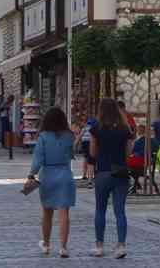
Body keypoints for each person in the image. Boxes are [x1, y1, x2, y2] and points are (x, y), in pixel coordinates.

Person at [27, 107, 76, 258]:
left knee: (47, 212)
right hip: (65, 174)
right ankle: (63, 247)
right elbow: (71, 154)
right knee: (64, 213)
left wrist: (31, 174)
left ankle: (46, 245)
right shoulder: (69, 136)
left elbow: (38, 159)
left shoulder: (43, 137)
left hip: (48, 175)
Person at [89, 98, 132, 259]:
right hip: (120, 172)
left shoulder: (96, 128)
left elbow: (93, 152)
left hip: (103, 172)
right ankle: (121, 245)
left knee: (100, 210)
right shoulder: (124, 129)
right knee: (120, 211)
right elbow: (128, 153)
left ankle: (99, 246)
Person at [79, 119, 95, 184]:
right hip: (90, 142)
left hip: (84, 143)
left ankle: (84, 175)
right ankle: (90, 177)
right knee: (91, 160)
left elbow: (80, 136)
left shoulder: (84, 128)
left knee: (85, 158)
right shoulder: (93, 128)